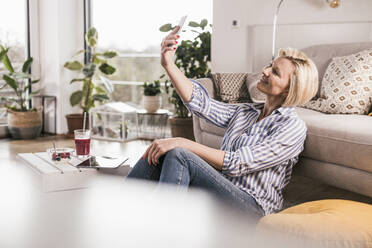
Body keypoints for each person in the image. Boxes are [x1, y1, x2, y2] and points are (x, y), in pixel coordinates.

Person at [127, 26, 319, 222]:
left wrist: (182, 142)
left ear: (289, 90)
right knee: (161, 150)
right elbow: (202, 104)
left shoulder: (292, 127)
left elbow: (237, 162)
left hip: (252, 208)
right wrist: (168, 64)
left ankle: (161, 234)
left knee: (180, 154)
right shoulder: (246, 112)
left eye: (275, 72)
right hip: (223, 191)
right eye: (270, 65)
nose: (265, 71)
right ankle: (121, 214)